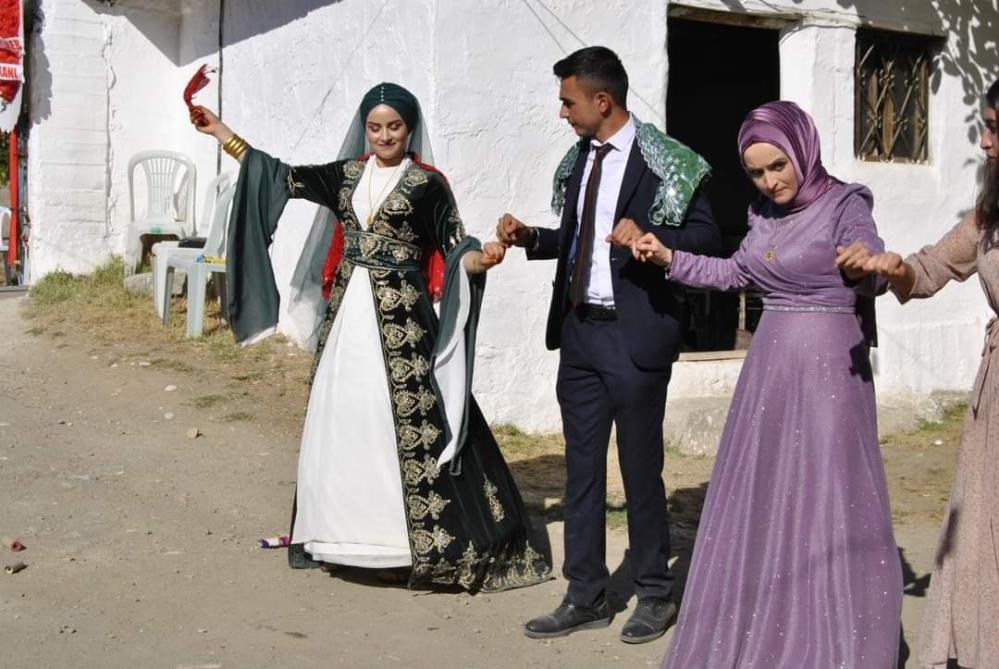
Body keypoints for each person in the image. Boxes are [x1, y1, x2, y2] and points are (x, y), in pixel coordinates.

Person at [188, 82, 551, 592]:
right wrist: (221, 133)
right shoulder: (346, 175)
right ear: (365, 128)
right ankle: (338, 538)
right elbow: (280, 176)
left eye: (394, 127)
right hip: (346, 323)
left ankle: (398, 546)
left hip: (403, 325)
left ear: (410, 128)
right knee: (344, 417)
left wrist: (482, 259)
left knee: (392, 419)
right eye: (375, 127)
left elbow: (455, 246)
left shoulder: (428, 186)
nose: (384, 136)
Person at [630, 100, 903, 667]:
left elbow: (870, 260)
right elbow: (735, 273)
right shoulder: (761, 213)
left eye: (778, 165)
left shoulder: (845, 203)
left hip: (830, 370)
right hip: (769, 370)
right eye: (756, 172)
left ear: (803, 150)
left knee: (829, 492)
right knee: (767, 493)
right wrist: (668, 258)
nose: (770, 181)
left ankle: (831, 633)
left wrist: (866, 265)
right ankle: (768, 621)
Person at [496, 46, 721, 643]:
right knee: (582, 471)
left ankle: (654, 593)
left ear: (602, 101)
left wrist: (652, 236)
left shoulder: (668, 162)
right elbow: (577, 240)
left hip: (635, 335)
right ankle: (586, 595)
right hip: (580, 335)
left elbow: (707, 238)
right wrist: (531, 237)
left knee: (640, 471)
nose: (562, 112)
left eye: (568, 102)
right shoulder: (580, 159)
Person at [859, 79, 999, 669]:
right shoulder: (990, 215)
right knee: (984, 520)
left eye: (994, 128)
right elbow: (935, 264)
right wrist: (895, 270)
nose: (985, 141)